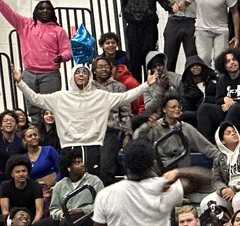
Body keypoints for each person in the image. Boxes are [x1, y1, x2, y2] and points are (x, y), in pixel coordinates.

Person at [12, 64, 153, 180]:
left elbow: (126, 97)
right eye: (77, 72)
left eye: (84, 72)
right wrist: (20, 82)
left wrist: (146, 85)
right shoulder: (60, 97)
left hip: (93, 145)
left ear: (90, 77)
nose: (81, 75)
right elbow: (35, 99)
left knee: (93, 181)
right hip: (69, 146)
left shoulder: (101, 96)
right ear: (72, 76)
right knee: (71, 182)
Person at [0, 0, 70, 122]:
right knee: (33, 110)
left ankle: (52, 139)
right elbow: (7, 11)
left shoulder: (59, 31)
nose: (44, 11)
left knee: (50, 110)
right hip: (29, 74)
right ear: (36, 11)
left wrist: (62, 57)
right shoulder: (24, 24)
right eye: (41, 8)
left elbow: (68, 51)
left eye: (48, 9)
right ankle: (36, 138)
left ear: (52, 12)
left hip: (50, 75)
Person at [31, 147, 103, 226]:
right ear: (69, 168)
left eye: (81, 161)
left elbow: (101, 206)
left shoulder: (94, 181)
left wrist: (82, 210)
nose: (82, 165)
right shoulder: (60, 185)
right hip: (65, 217)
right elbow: (53, 208)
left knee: (66, 225)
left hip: (87, 216)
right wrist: (59, 214)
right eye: (77, 163)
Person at [134, 95, 218, 172]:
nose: (177, 109)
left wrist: (221, 157)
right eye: (173, 107)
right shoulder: (155, 126)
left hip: (181, 171)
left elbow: (207, 147)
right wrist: (147, 127)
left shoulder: (186, 128)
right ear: (164, 110)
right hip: (160, 170)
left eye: (179, 107)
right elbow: (138, 141)